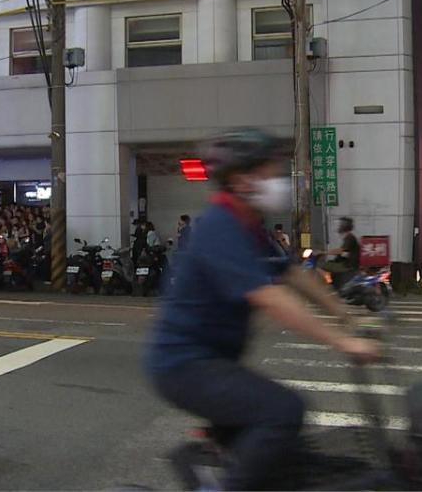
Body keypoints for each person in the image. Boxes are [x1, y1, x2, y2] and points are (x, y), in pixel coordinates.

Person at [147, 129, 378, 490]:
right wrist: (344, 342)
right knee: (283, 411)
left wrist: (344, 313)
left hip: (213, 360)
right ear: (242, 181)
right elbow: (270, 297)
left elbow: (289, 272)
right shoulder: (219, 227)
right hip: (185, 365)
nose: (279, 182)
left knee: (286, 460)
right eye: (271, 173)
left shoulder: (251, 226)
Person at [320, 217, 360, 290]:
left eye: (340, 224)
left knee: (320, 265)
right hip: (346, 264)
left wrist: (324, 252)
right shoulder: (348, 237)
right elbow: (344, 253)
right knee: (329, 263)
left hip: (347, 265)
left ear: (344, 226)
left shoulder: (350, 238)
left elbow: (340, 251)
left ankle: (325, 287)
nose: (337, 226)